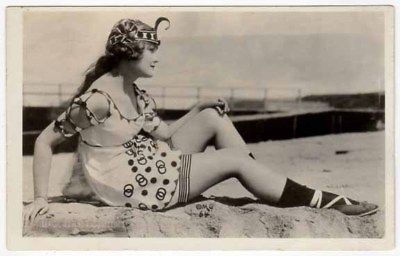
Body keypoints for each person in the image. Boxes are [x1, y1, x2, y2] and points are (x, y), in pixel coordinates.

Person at [24, 17, 379, 225]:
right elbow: (44, 141)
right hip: (129, 183)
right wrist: (41, 197)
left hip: (147, 161)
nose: (157, 61)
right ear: (130, 53)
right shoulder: (98, 101)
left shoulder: (135, 92)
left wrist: (197, 107)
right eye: (152, 53)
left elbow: (163, 134)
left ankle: (260, 179)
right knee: (236, 161)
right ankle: (313, 198)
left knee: (213, 117)